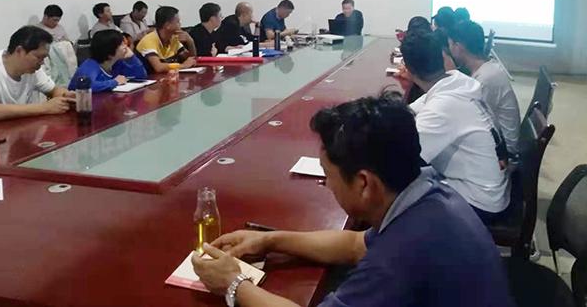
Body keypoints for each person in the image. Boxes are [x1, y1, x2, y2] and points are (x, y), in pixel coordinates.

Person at [191, 94, 515, 307]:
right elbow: (354, 245)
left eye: (327, 175)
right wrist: (269, 240)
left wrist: (234, 283)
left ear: (363, 183)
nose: (327, 185)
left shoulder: (399, 254)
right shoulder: (428, 193)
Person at [400, 29, 510, 224]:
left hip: (480, 202)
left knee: (398, 190)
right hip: (490, 187)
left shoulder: (442, 106)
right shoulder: (456, 81)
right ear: (442, 57)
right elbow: (407, 112)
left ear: (408, 70)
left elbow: (404, 157)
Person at [0, 26, 75, 128]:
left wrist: (66, 96)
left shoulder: (33, 70)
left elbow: (54, 90)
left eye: (44, 58)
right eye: (39, 57)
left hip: (16, 129)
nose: (42, 63)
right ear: (19, 51)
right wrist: (46, 107)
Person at [448, 20, 521, 155]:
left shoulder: (485, 80)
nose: (450, 51)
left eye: (450, 45)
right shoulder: (488, 68)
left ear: (458, 47)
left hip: (503, 151)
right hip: (498, 140)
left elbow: (469, 120)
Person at [68, 30, 147, 93]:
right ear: (109, 52)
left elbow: (141, 77)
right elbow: (86, 86)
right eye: (121, 44)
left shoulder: (117, 62)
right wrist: (114, 82)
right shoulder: (90, 65)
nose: (126, 46)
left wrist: (132, 58)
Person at [136, 6, 196, 73]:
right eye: (178, 22)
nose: (180, 25)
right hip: (147, 78)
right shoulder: (149, 40)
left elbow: (191, 59)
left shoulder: (173, 38)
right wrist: (183, 66)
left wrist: (190, 41)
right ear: (167, 25)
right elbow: (158, 67)